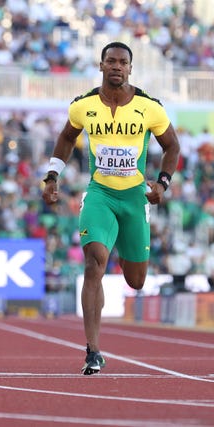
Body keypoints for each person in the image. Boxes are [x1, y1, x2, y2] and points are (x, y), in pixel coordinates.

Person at [41, 41, 180, 375]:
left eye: (123, 62)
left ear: (130, 68)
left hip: (134, 199)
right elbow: (65, 138)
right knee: (94, 263)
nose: (117, 66)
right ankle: (93, 351)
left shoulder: (150, 108)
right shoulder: (83, 106)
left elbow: (172, 146)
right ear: (100, 65)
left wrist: (162, 183)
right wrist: (51, 175)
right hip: (100, 194)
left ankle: (121, 243)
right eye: (111, 61)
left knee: (136, 280)